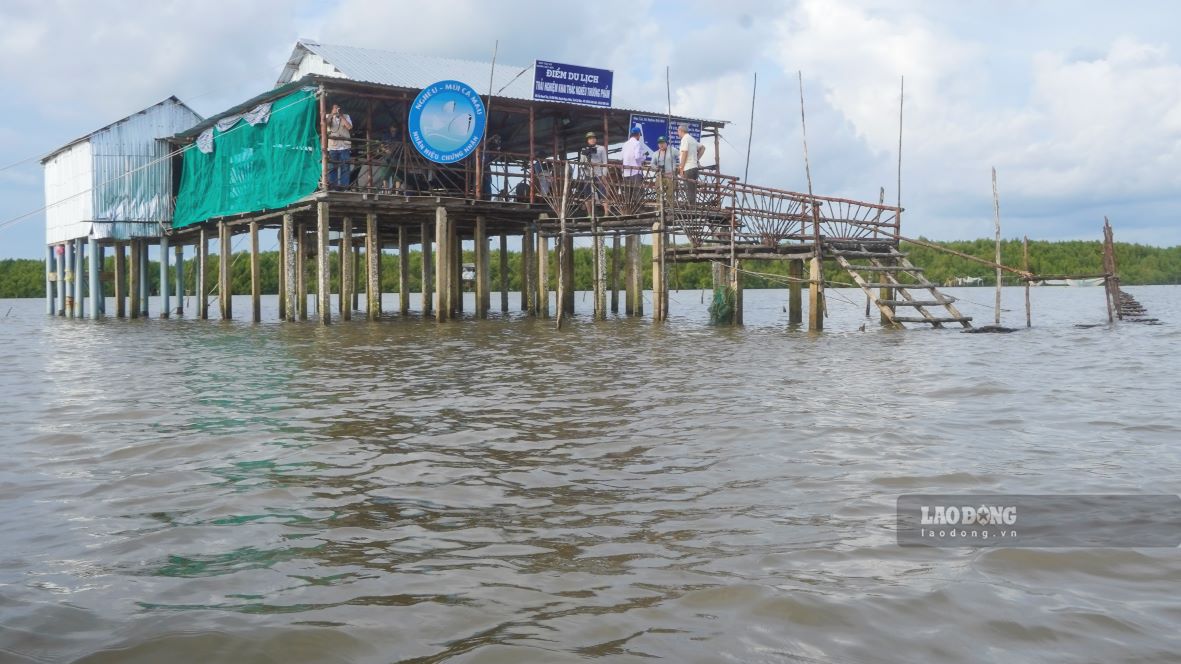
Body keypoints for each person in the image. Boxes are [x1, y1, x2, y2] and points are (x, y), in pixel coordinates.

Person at [579, 131, 609, 217]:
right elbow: (581, 163)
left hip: (599, 174)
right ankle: (589, 214)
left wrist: (604, 175)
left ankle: (606, 213)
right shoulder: (584, 150)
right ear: (587, 140)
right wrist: (585, 165)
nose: (592, 140)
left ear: (596, 139)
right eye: (590, 139)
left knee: (602, 194)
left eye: (593, 138)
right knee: (587, 195)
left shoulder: (601, 148)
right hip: (588, 174)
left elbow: (605, 163)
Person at [620, 125, 650, 205]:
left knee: (628, 193)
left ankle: (628, 210)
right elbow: (637, 157)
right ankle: (638, 210)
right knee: (638, 192)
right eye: (640, 135)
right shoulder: (637, 143)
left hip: (626, 173)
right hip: (635, 172)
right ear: (638, 135)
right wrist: (643, 157)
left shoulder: (625, 144)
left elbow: (622, 157)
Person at [325, 104, 353, 189]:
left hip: (345, 147)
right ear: (332, 109)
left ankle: (344, 188)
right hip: (333, 147)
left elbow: (349, 127)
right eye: (335, 108)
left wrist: (341, 115)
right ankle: (333, 188)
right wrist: (332, 114)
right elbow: (326, 124)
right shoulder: (328, 116)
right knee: (333, 168)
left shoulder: (346, 116)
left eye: (338, 108)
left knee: (345, 168)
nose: (337, 109)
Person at [677, 123, 705, 205]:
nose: (677, 134)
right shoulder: (692, 139)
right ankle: (692, 206)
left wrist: (681, 168)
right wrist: (696, 159)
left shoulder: (685, 139)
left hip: (688, 168)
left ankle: (691, 207)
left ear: (681, 131)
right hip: (694, 168)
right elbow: (703, 148)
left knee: (689, 189)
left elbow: (685, 152)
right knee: (692, 189)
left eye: (678, 132)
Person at [650, 135, 678, 208]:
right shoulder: (656, 153)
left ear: (666, 143)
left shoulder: (673, 150)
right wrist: (656, 167)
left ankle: (670, 210)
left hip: (670, 175)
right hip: (660, 175)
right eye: (659, 143)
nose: (661, 145)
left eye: (663, 143)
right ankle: (659, 210)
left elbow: (681, 156)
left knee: (670, 194)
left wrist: (680, 167)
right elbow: (652, 163)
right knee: (659, 193)